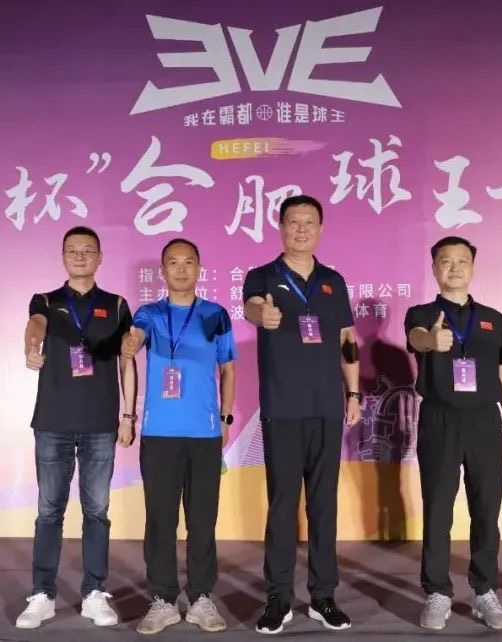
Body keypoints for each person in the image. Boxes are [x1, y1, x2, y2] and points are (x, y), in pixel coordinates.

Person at [242, 195, 361, 634]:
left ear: (321, 228)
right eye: (294, 222)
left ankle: (323, 596)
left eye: (310, 222)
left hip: (327, 409)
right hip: (283, 409)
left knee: (324, 506)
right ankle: (278, 597)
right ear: (281, 227)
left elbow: (347, 340)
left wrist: (353, 393)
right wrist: (263, 314)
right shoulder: (262, 276)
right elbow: (252, 307)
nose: (302, 229)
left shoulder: (333, 281)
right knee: (282, 506)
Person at [15, 225, 138, 630]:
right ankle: (43, 594)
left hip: (100, 424)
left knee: (97, 511)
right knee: (48, 511)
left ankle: (94, 593)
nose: (80, 256)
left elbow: (126, 360)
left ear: (100, 257)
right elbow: (35, 324)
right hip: (52, 422)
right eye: (73, 250)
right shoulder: (47, 300)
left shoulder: (116, 305)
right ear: (63, 257)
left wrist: (128, 416)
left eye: (88, 250)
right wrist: (31, 346)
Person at [404, 236, 502, 631]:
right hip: (439, 419)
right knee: (438, 508)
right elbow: (416, 338)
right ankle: (437, 592)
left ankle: (484, 590)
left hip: (484, 421)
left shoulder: (493, 318)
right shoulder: (421, 313)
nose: (453, 268)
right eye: (445, 261)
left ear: (472, 267)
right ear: (434, 268)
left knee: (487, 508)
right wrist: (431, 341)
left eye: (461, 261)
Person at [121, 238, 237, 635]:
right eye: (173, 262)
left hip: (204, 435)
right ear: (163, 270)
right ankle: (163, 600)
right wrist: (132, 341)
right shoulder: (150, 313)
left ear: (199, 268)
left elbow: (228, 369)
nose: (182, 269)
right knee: (160, 520)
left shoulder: (215, 314)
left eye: (189, 261)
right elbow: (136, 336)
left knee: (203, 520)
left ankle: (202, 597)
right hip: (160, 434)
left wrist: (225, 418)